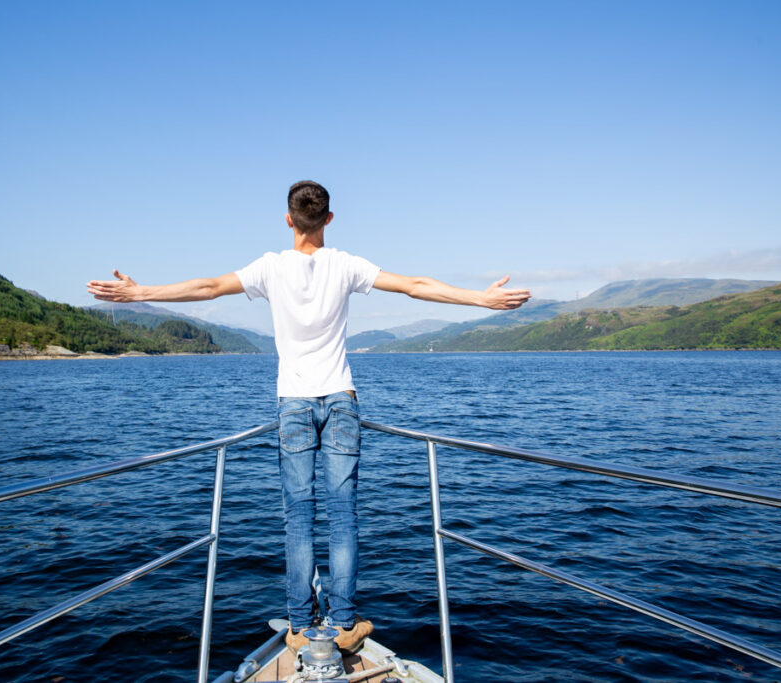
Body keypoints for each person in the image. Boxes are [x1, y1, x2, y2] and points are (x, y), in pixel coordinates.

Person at [87, 180, 530, 653]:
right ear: (329, 220)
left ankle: (299, 627)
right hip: (340, 399)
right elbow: (414, 286)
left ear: (288, 219)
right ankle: (343, 625)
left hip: (293, 404)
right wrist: (480, 300)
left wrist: (141, 294)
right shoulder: (345, 264)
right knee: (344, 515)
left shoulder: (270, 268)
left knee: (297, 515)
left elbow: (209, 287)